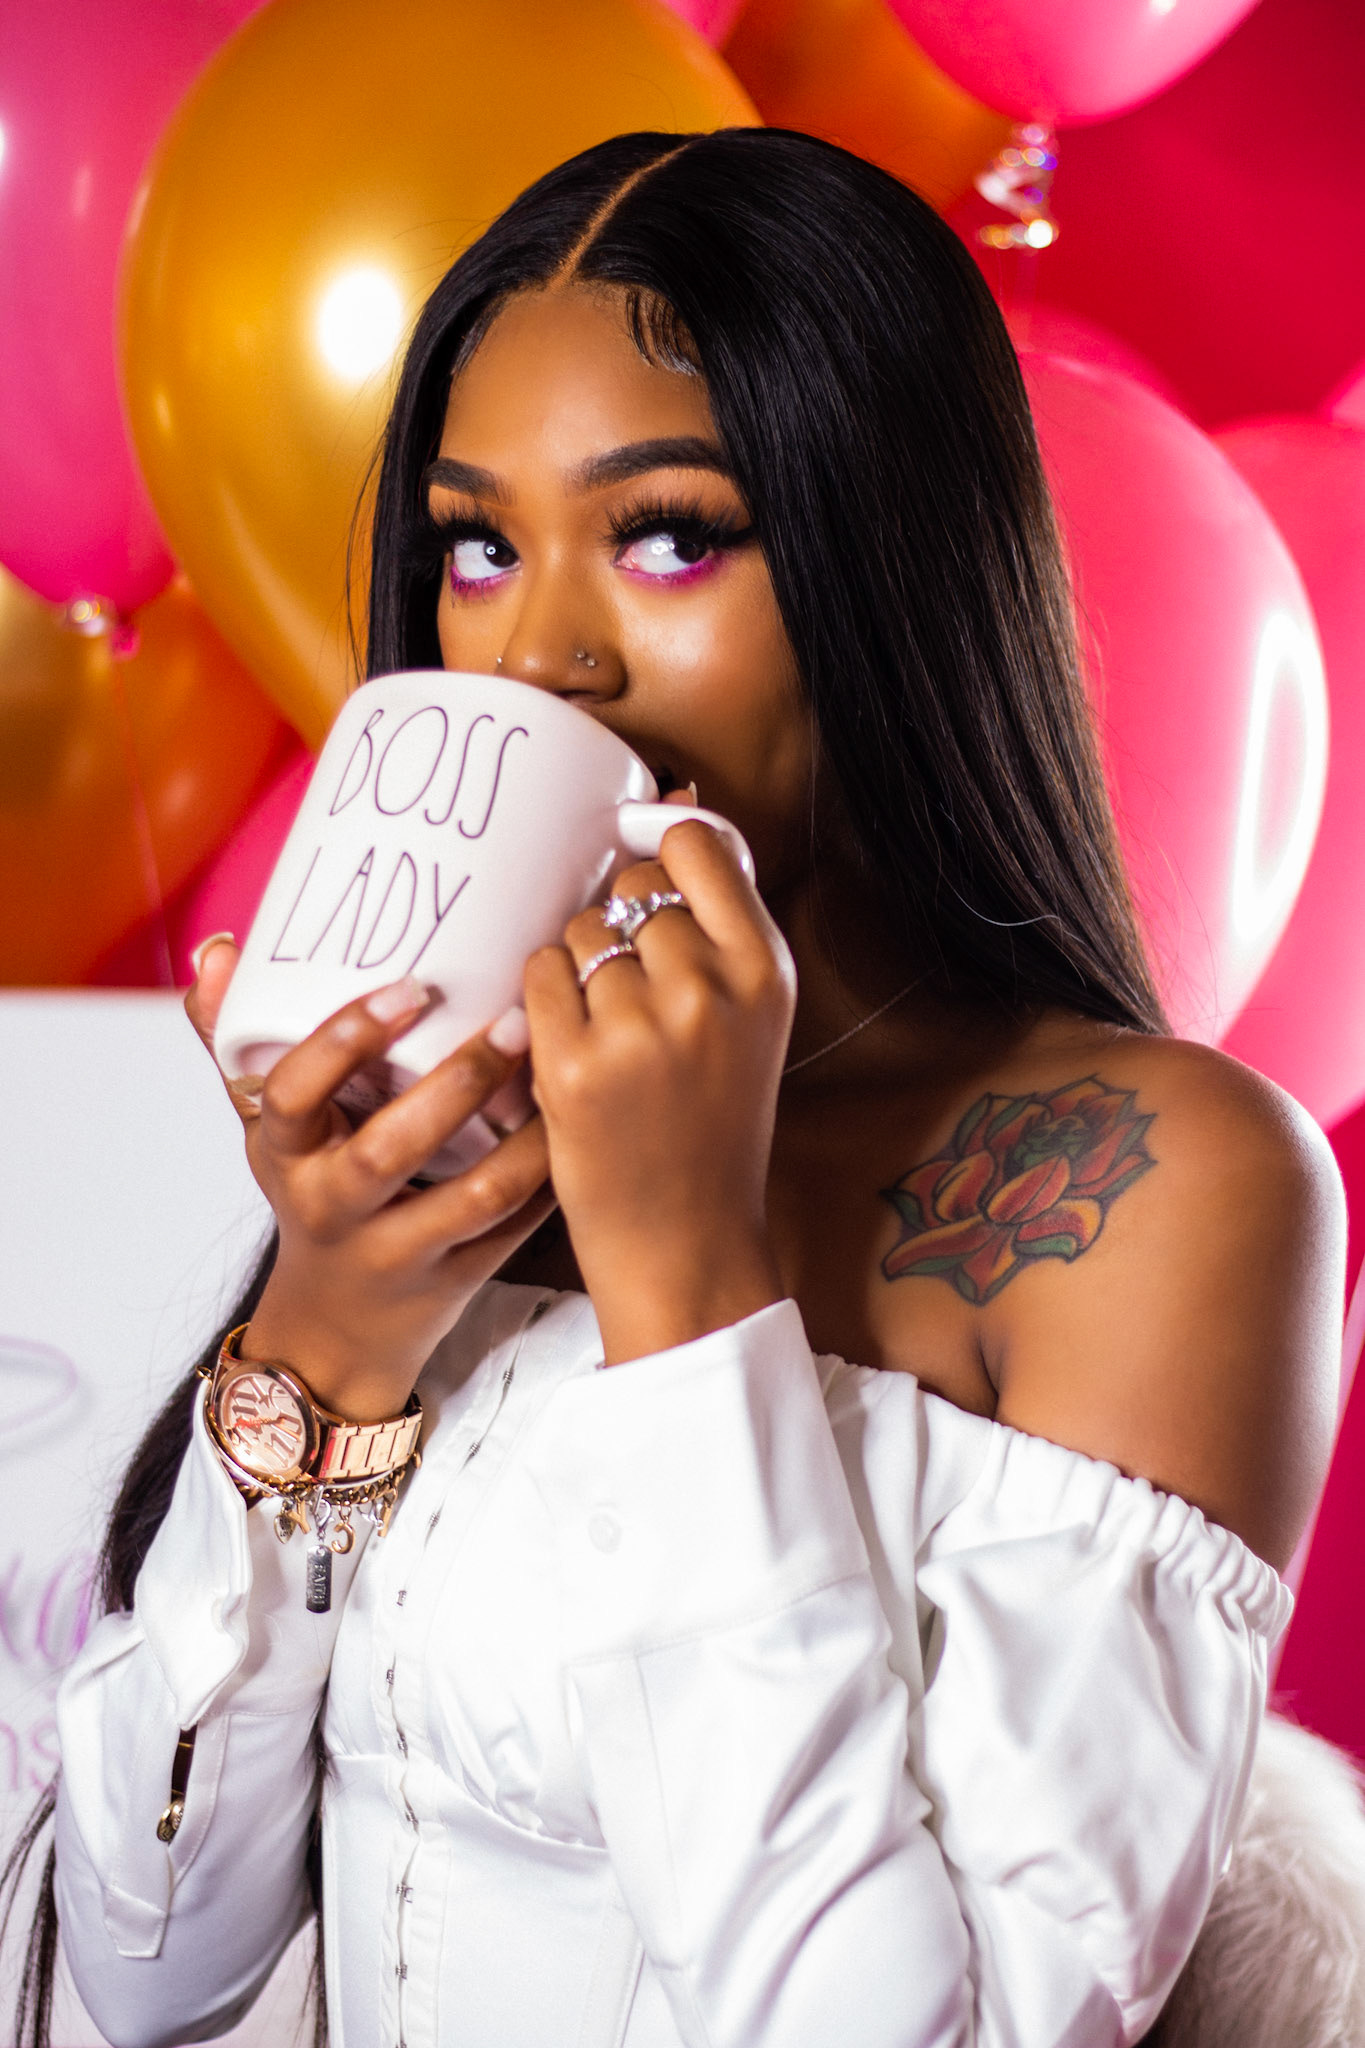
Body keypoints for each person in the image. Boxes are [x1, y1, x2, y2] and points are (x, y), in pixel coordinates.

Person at [12, 127, 1346, 2047]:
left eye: (665, 538)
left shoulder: (1164, 1182)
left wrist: (685, 1284)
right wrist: (325, 1336)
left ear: (897, 571)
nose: (542, 655)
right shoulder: (464, 1142)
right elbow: (144, 1977)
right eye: (477, 550)